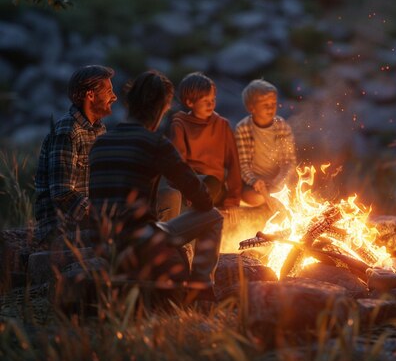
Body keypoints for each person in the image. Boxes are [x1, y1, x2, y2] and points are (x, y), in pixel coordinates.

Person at [89, 70, 223, 299]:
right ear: (161, 108)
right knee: (214, 216)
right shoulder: (154, 143)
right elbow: (202, 199)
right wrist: (201, 187)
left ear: (130, 103)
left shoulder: (100, 143)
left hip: (103, 242)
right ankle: (201, 291)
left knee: (169, 197)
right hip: (140, 241)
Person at [34, 65, 117, 245]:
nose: (114, 96)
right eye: (109, 91)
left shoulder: (99, 129)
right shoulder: (68, 131)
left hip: (87, 224)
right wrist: (101, 215)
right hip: (61, 230)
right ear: (90, 95)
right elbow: (62, 193)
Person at [169, 72, 242, 209]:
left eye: (213, 100)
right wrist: (186, 191)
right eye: (205, 101)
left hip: (214, 186)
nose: (210, 105)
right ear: (190, 102)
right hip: (190, 184)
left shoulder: (222, 125)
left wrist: (233, 199)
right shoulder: (180, 125)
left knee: (212, 184)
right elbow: (178, 162)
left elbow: (234, 164)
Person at [235, 79, 297, 207]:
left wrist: (279, 182)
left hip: (278, 180)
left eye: (273, 103)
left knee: (291, 195)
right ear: (251, 108)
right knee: (256, 198)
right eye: (265, 105)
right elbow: (243, 164)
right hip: (254, 184)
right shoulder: (243, 128)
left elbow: (289, 161)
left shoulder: (281, 126)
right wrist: (254, 181)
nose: (271, 108)